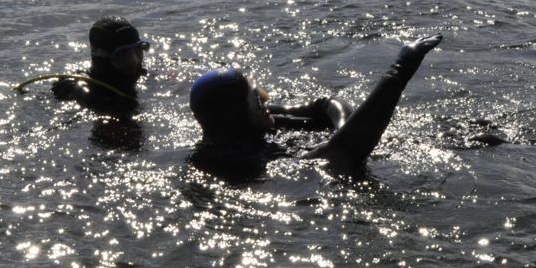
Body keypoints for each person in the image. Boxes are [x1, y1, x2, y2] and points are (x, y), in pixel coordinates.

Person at [187, 34, 442, 179]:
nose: (265, 102)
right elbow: (343, 153)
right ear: (235, 116)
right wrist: (400, 70)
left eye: (260, 94)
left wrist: (343, 127)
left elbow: (326, 104)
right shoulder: (241, 160)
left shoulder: (249, 125)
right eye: (256, 99)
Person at [14, 16, 150, 117]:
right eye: (126, 57)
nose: (136, 63)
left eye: (138, 52)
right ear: (104, 61)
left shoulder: (140, 75)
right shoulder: (84, 92)